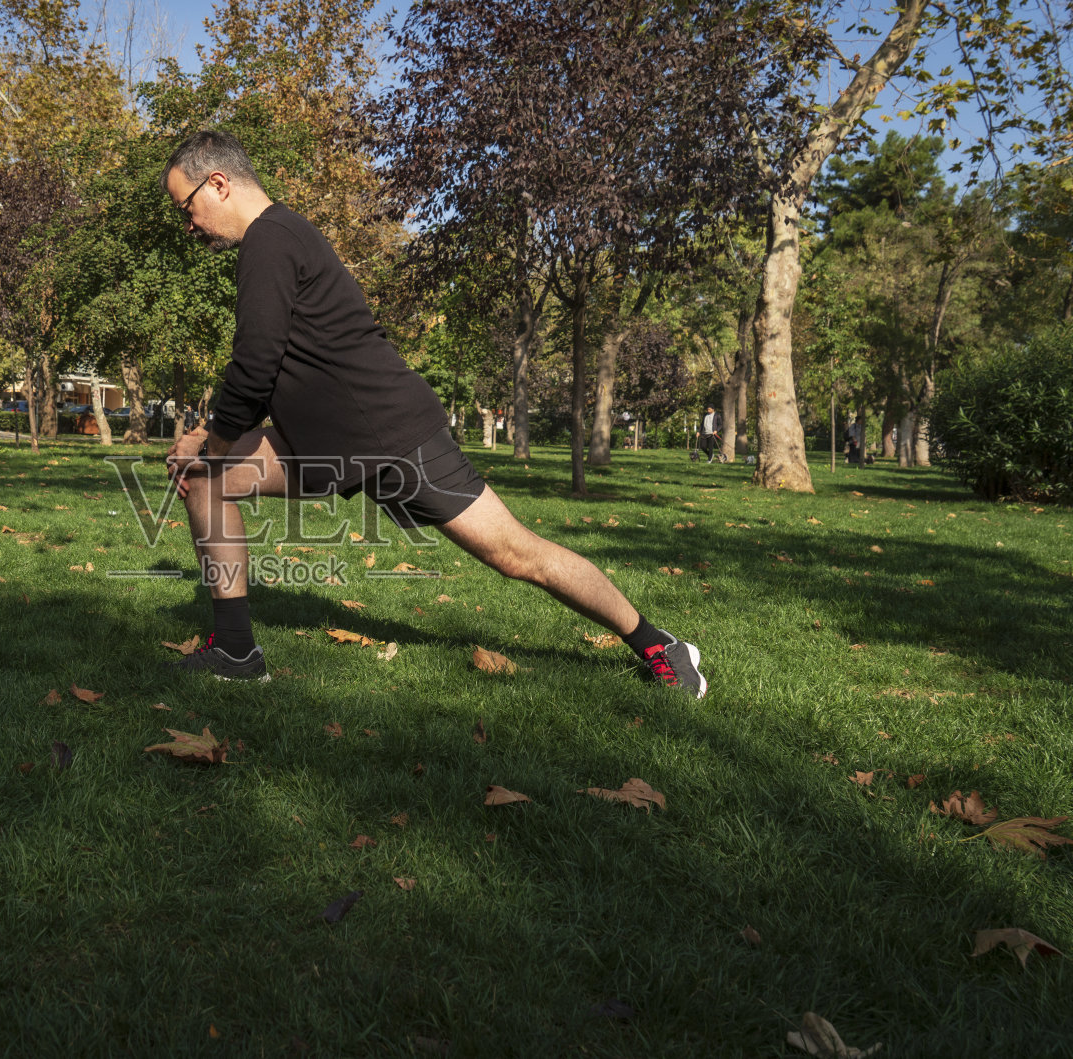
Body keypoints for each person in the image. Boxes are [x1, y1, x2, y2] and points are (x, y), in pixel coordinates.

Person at [159, 130, 706, 698]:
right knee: (204, 477)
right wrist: (206, 441)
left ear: (217, 184)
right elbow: (271, 366)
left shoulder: (269, 239)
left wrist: (214, 442)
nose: (189, 224)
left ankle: (657, 642)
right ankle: (236, 650)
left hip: (390, 434)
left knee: (516, 555)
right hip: (326, 436)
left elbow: (256, 361)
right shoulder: (277, 237)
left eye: (187, 207)